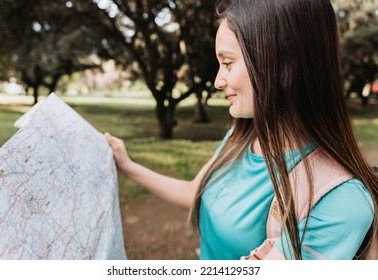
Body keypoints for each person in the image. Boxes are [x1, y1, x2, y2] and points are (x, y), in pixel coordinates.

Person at [104, 0, 378, 260]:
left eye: (228, 63)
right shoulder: (243, 136)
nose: (217, 81)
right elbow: (193, 193)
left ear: (282, 63)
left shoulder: (340, 201)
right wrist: (126, 165)